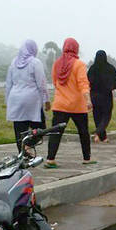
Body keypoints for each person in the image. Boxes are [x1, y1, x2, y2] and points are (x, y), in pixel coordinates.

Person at [45, 38, 94, 168]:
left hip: (60, 104)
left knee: (56, 133)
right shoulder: (79, 64)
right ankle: (87, 158)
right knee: (83, 132)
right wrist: (88, 100)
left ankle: (50, 159)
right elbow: (83, 83)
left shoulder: (57, 64)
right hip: (77, 105)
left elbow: (55, 82)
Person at [5, 39, 50, 153]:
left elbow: (8, 83)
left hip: (15, 98)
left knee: (19, 130)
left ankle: (23, 154)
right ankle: (28, 146)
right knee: (41, 129)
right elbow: (41, 84)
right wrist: (46, 100)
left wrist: (8, 101)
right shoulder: (35, 62)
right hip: (31, 99)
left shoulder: (13, 62)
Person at [87, 50, 116, 143]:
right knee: (106, 116)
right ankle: (98, 133)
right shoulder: (110, 68)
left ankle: (103, 138)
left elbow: (87, 81)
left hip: (94, 95)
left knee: (97, 116)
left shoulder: (92, 68)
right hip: (106, 95)